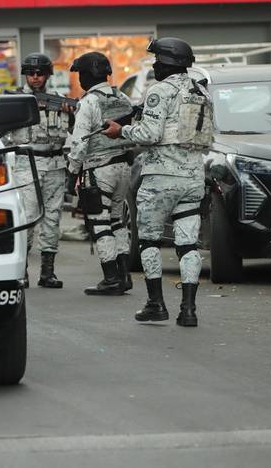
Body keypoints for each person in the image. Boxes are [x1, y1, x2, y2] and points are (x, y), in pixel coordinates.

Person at [103, 38, 213, 326]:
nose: (154, 65)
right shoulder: (202, 90)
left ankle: (156, 303)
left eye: (157, 60)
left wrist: (121, 131)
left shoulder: (159, 91)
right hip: (193, 176)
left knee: (149, 240)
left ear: (167, 62)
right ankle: (188, 310)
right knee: (188, 245)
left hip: (161, 179)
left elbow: (150, 134)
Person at [66, 52, 134, 296]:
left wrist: (72, 173)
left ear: (86, 75)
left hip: (99, 169)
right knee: (118, 221)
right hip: (124, 166)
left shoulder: (88, 102)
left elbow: (79, 142)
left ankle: (111, 278)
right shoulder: (123, 97)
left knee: (99, 221)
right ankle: (124, 275)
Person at [6, 53, 72, 289]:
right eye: (31, 73)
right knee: (27, 218)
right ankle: (21, 270)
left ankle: (47, 272)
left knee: (53, 218)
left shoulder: (60, 101)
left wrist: (71, 112)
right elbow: (1, 132)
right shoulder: (16, 101)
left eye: (40, 73)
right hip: (28, 163)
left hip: (55, 164)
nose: (35, 77)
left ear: (48, 75)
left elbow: (75, 130)